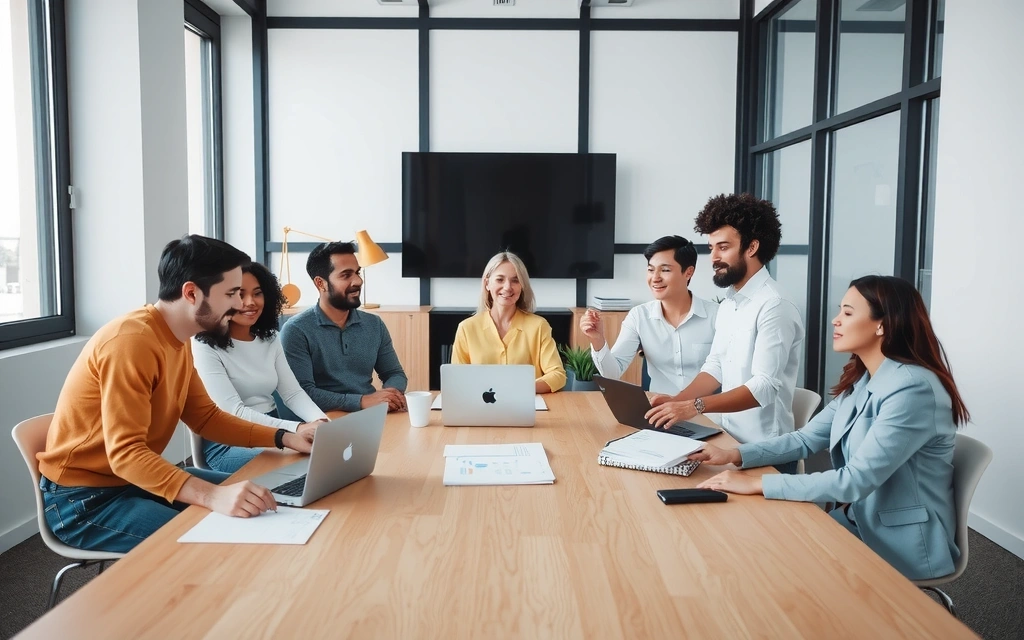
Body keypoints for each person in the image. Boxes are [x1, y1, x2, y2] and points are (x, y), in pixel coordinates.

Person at [36, 235, 315, 553]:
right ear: (192, 293)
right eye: (231, 294)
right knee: (217, 544)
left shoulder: (178, 339)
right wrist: (212, 497)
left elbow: (206, 417)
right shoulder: (132, 342)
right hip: (86, 500)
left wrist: (284, 437)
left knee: (267, 501)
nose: (240, 305)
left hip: (133, 479)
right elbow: (126, 455)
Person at [689, 276, 968, 581]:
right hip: (856, 519)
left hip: (902, 542)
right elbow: (805, 439)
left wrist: (758, 484)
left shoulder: (912, 388)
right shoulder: (864, 380)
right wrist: (732, 455)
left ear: (882, 325)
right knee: (754, 546)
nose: (836, 320)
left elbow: (855, 481)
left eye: (848, 313)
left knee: (768, 564)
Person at [646, 194, 804, 471]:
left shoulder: (775, 305)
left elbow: (763, 388)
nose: (714, 258)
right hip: (729, 442)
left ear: (752, 247)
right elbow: (716, 365)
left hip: (767, 453)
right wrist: (677, 400)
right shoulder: (731, 302)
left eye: (723, 247)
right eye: (711, 248)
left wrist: (694, 406)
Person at [192, 262, 329, 474]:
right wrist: (297, 429)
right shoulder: (204, 345)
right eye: (239, 294)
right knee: (301, 462)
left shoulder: (270, 338)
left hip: (275, 430)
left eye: (257, 293)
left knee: (326, 455)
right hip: (228, 444)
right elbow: (233, 412)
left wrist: (323, 424)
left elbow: (292, 393)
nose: (250, 302)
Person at [579, 235, 718, 395]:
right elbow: (613, 373)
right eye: (651, 270)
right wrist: (597, 339)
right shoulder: (639, 316)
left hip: (707, 413)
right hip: (660, 413)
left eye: (665, 270)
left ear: (688, 272)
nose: (655, 278)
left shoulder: (716, 315)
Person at [280, 241, 408, 413]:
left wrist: (389, 396)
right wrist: (362, 401)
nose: (358, 281)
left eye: (357, 272)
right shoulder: (296, 330)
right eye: (346, 275)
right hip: (323, 423)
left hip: (371, 415)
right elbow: (302, 393)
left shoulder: (374, 324)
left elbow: (395, 374)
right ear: (320, 283)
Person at [451, 251, 566, 394]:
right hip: (480, 410)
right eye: (500, 279)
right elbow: (457, 380)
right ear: (487, 284)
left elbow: (557, 375)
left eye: (515, 280)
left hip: (527, 408)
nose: (507, 287)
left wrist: (520, 389)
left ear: (522, 286)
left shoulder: (539, 326)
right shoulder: (466, 328)